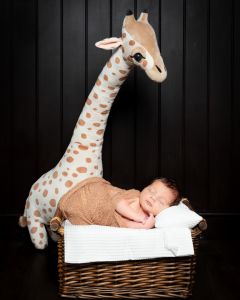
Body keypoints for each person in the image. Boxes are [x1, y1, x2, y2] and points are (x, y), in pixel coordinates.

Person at [50, 176, 182, 231]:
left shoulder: (152, 221)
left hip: (100, 219)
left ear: (166, 210)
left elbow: (124, 224)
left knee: (80, 219)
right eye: (151, 190)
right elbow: (117, 202)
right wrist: (137, 218)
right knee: (89, 197)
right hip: (97, 197)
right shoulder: (135, 196)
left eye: (160, 201)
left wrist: (143, 227)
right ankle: (65, 210)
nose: (152, 197)